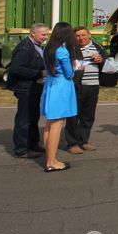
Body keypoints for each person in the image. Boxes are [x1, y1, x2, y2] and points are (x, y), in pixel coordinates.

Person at [40, 22, 79, 172]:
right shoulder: (62, 51)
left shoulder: (48, 48)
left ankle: (51, 158)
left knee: (50, 124)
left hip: (50, 84)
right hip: (61, 86)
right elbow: (69, 73)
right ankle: (51, 161)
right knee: (57, 124)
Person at [7, 23, 49, 158]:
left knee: (33, 117)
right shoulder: (25, 48)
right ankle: (21, 149)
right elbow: (16, 68)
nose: (45, 37)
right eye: (43, 34)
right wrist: (39, 74)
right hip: (25, 88)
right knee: (24, 118)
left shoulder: (36, 46)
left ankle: (32, 144)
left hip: (33, 88)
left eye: (46, 34)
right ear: (33, 33)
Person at [65, 26, 106, 154]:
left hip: (93, 85)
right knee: (73, 116)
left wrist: (101, 60)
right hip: (77, 85)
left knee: (88, 116)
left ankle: (84, 141)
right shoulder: (71, 48)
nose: (81, 38)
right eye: (77, 36)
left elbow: (106, 62)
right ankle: (72, 143)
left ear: (89, 34)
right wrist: (75, 66)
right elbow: (65, 65)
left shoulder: (97, 46)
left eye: (83, 35)